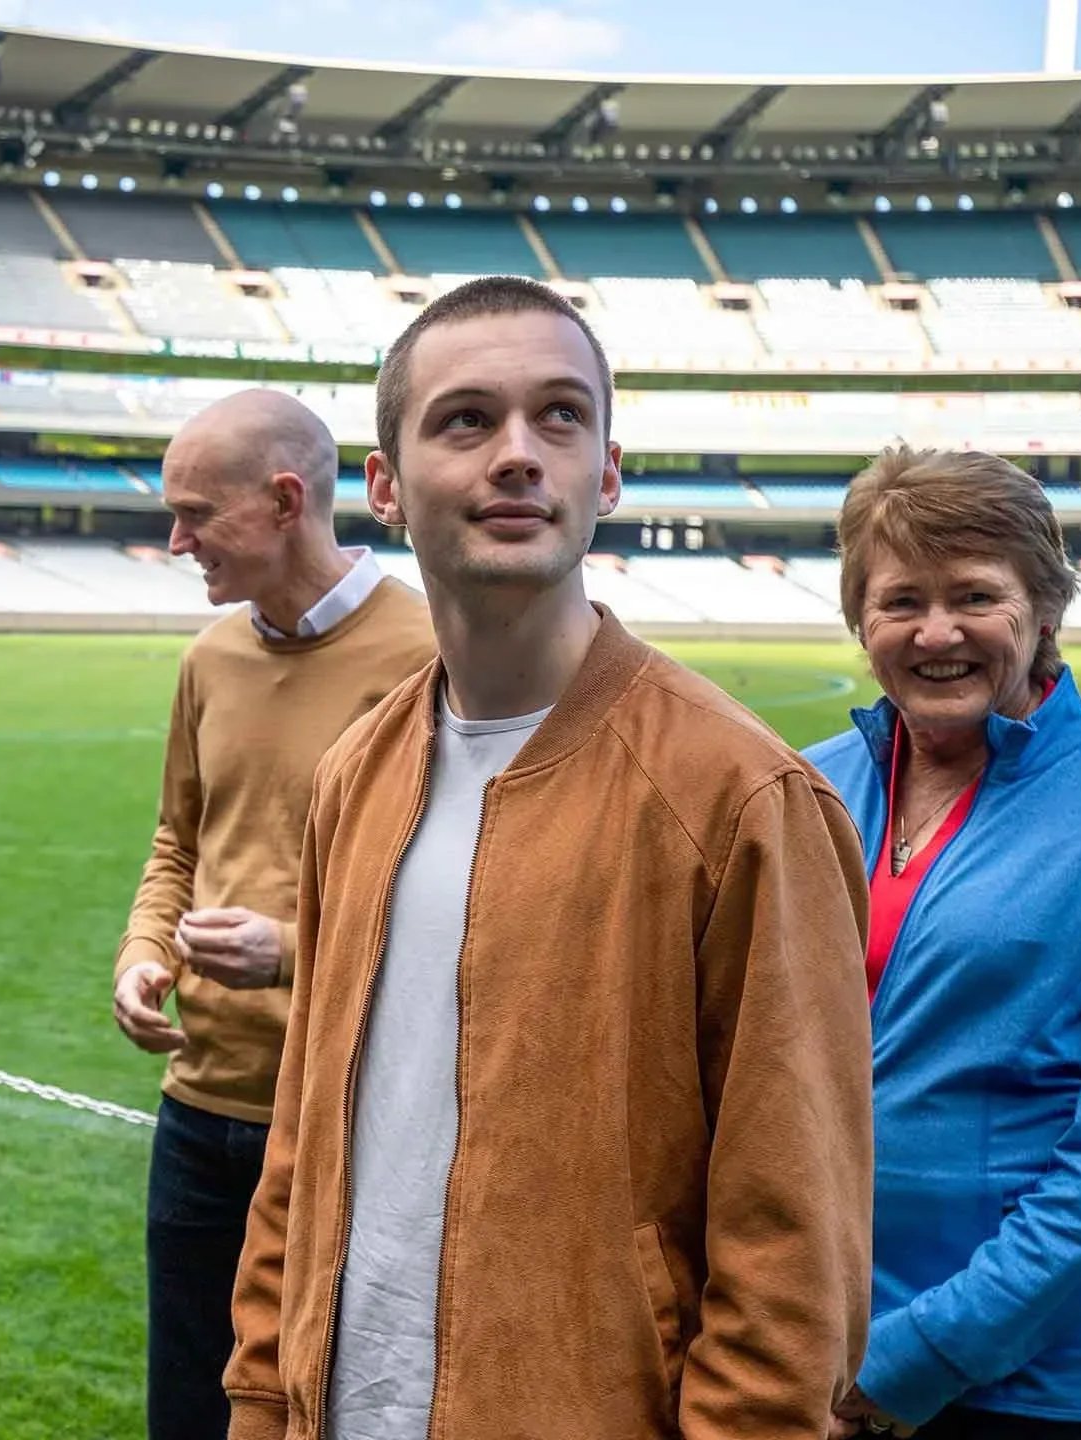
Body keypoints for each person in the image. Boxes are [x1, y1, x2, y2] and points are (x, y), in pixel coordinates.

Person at [225, 275, 875, 1440]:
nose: (518, 454)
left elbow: (793, 1250)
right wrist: (260, 1404)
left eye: (559, 416)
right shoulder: (354, 776)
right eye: (465, 419)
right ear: (381, 486)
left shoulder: (739, 798)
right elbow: (298, 1151)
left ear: (607, 471)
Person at [802, 448, 1081, 1440]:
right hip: (806, 1359)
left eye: (973, 595)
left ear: (1041, 610)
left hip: (1033, 1395)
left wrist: (914, 1359)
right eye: (897, 600)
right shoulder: (798, 790)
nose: (934, 632)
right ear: (856, 618)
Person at [112, 388, 432, 1440]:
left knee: (340, 1411)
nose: (175, 540)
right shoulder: (208, 658)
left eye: (196, 513)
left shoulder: (428, 654)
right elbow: (177, 843)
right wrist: (143, 953)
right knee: (190, 1414)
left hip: (352, 1117)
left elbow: (467, 894)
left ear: (285, 499)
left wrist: (290, 953)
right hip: (199, 1111)